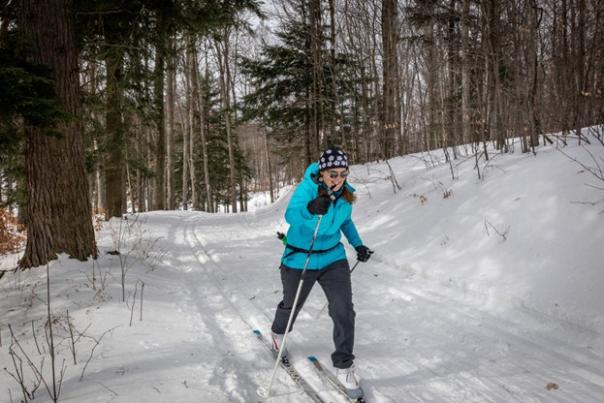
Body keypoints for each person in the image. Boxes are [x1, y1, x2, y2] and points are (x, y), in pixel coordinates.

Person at [270, 146, 372, 399]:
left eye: (342, 173)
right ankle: (278, 333)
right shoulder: (307, 188)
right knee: (291, 304)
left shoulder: (346, 194)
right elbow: (291, 214)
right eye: (332, 174)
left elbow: (346, 222)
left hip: (332, 258)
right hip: (299, 258)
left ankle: (344, 365)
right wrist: (311, 208)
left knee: (343, 309)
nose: (338, 179)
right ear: (322, 172)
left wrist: (357, 244)